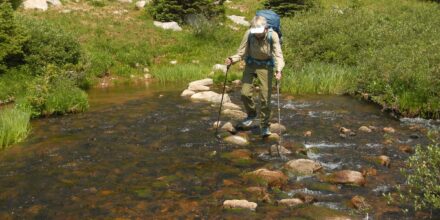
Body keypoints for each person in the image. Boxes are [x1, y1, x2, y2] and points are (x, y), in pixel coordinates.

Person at [225, 15, 285, 137]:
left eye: (259, 31)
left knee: (265, 97)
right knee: (245, 93)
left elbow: (278, 55)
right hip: (251, 64)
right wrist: (232, 59)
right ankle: (251, 114)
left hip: (266, 66)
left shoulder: (272, 35)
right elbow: (241, 52)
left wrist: (278, 70)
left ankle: (265, 125)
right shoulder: (249, 33)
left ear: (265, 28)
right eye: (255, 32)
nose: (257, 34)